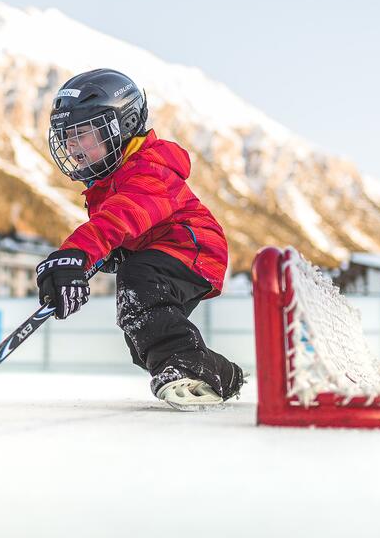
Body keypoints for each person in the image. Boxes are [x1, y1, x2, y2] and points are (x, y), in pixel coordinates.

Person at [36, 68, 244, 410]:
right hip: (159, 250)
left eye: (83, 134)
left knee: (140, 283)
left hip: (191, 247)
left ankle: (188, 368)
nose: (72, 147)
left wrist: (75, 255)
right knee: (143, 332)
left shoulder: (150, 168)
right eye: (67, 137)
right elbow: (122, 231)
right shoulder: (107, 182)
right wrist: (107, 256)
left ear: (123, 125)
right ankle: (219, 373)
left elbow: (120, 218)